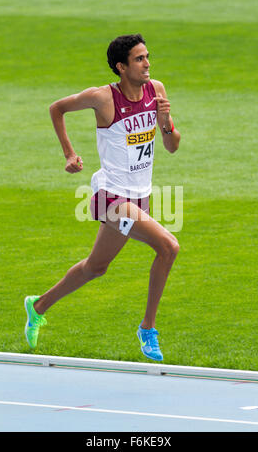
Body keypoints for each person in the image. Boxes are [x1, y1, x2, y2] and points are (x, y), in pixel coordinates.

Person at [24, 34, 181, 361]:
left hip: (140, 195)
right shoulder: (103, 98)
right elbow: (57, 108)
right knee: (168, 246)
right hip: (111, 197)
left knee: (96, 267)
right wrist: (69, 154)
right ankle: (147, 328)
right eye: (139, 59)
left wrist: (165, 123)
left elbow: (172, 146)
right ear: (121, 67)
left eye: (147, 56)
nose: (147, 63)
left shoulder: (157, 91)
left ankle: (37, 306)